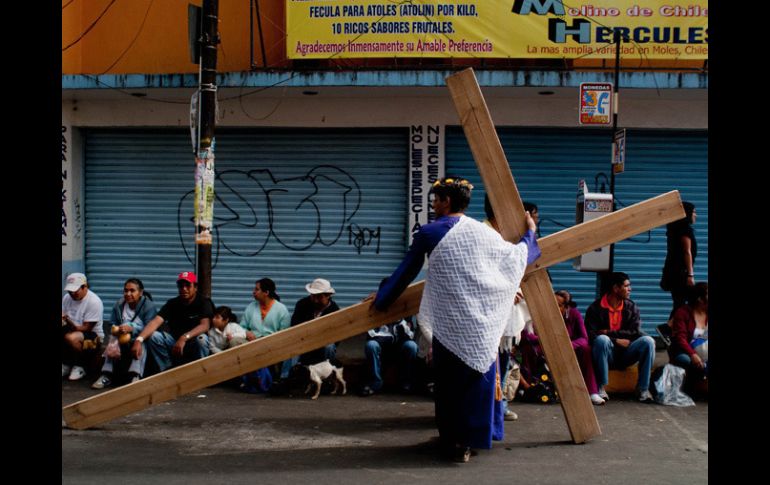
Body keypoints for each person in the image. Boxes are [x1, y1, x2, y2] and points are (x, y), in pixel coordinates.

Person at [371, 175, 540, 463]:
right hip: (481, 326)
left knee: (449, 387)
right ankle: (470, 441)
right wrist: (530, 234)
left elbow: (405, 273)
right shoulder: (483, 234)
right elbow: (517, 258)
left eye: (435, 199)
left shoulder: (430, 233)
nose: (433, 205)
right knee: (477, 385)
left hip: (451, 324)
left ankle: (452, 442)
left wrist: (381, 301)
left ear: (447, 201)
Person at [586, 272, 656, 403]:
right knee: (602, 340)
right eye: (626, 286)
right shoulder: (595, 308)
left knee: (648, 341)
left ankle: (643, 389)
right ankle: (601, 387)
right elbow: (590, 334)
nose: (630, 289)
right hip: (606, 355)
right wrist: (615, 340)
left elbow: (634, 332)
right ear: (616, 288)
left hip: (627, 353)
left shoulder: (631, 307)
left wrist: (607, 332)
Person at [131, 271, 213, 373]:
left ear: (195, 287)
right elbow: (155, 322)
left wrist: (184, 337)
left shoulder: (204, 302)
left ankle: (201, 373)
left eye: (188, 285)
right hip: (175, 344)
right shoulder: (172, 303)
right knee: (154, 336)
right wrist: (139, 340)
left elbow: (205, 325)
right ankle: (167, 370)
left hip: (193, 344)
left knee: (202, 339)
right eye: (181, 286)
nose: (184, 289)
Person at [92, 278, 158, 389]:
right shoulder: (119, 304)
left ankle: (135, 376)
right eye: (126, 290)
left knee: (140, 342)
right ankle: (106, 375)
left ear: (140, 292)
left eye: (132, 291)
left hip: (141, 337)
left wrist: (132, 329)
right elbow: (112, 323)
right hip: (122, 337)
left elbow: (150, 327)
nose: (128, 294)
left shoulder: (148, 306)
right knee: (113, 339)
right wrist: (117, 329)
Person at [360, 279, 419, 397]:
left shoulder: (405, 307)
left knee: (411, 346)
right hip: (380, 344)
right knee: (371, 345)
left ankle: (405, 382)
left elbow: (409, 334)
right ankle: (375, 382)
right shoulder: (374, 306)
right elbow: (370, 332)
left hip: (400, 345)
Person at [240, 278, 291, 381]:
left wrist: (269, 341)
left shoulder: (281, 309)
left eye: (257, 289)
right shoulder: (251, 307)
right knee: (235, 341)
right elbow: (242, 326)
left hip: (272, 344)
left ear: (266, 292)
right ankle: (242, 378)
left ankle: (282, 378)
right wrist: (247, 332)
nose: (253, 292)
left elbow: (284, 333)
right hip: (252, 342)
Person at [62, 272, 104, 381]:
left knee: (71, 337)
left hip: (93, 335)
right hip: (72, 328)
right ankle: (66, 363)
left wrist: (67, 321)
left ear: (85, 287)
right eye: (70, 291)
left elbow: (87, 328)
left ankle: (81, 365)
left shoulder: (94, 301)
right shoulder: (67, 298)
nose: (72, 293)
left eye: (75, 290)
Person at [290, 278, 340, 365]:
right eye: (313, 296)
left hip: (323, 343)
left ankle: (328, 373)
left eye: (319, 297)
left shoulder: (334, 310)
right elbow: (294, 325)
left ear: (328, 296)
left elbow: (337, 336)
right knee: (293, 346)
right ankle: (287, 376)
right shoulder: (302, 304)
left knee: (330, 347)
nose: (315, 300)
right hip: (303, 341)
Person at [660, 201, 697, 318]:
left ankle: (672, 329)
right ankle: (669, 328)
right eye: (694, 212)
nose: (695, 215)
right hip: (681, 274)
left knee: (680, 303)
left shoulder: (674, 229)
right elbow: (687, 252)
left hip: (673, 272)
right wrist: (690, 275)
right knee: (683, 303)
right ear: (687, 213)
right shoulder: (684, 230)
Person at [669, 282, 708, 388]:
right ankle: (689, 386)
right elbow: (680, 338)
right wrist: (692, 354)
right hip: (685, 351)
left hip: (705, 353)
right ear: (700, 299)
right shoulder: (683, 313)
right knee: (684, 360)